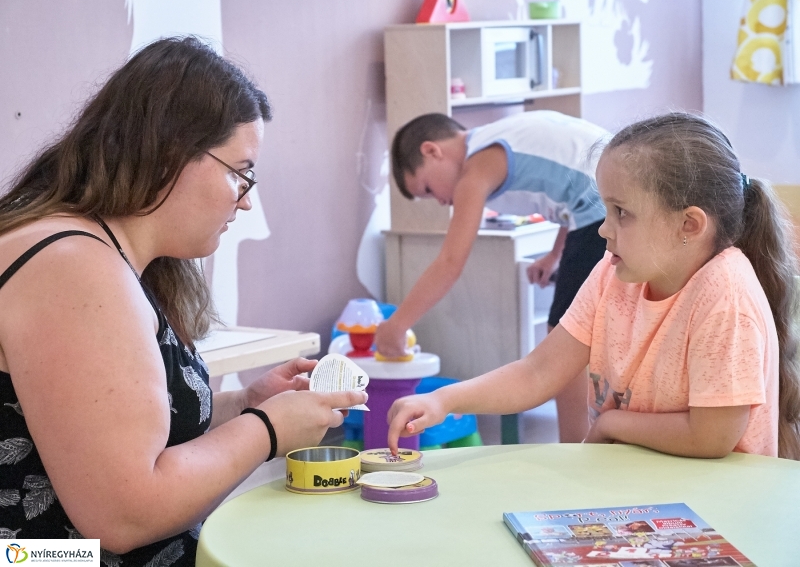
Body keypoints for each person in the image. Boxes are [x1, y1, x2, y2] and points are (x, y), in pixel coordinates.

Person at [0, 37, 366, 563]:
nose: (246, 200)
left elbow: (108, 427)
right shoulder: (75, 268)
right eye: (241, 173)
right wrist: (267, 431)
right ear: (173, 152)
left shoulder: (90, 249)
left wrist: (246, 404)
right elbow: (125, 515)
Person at [386, 112, 800, 461]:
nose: (604, 228)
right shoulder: (613, 273)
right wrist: (444, 400)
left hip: (714, 517)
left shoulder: (725, 293)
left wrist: (612, 423)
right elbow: (538, 371)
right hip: (643, 499)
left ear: (688, 225)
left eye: (622, 212)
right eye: (606, 209)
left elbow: (712, 436)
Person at [375, 110, 609, 442]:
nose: (441, 201)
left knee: (564, 336)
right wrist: (555, 254)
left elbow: (451, 261)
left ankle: (574, 446)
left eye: (428, 188)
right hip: (605, 201)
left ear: (432, 150)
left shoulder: (478, 166)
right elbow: (571, 187)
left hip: (603, 209)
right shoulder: (496, 140)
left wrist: (397, 324)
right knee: (578, 332)